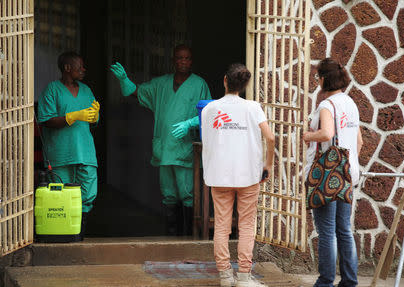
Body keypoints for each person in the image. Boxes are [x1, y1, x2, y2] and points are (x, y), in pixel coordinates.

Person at [109, 45, 211, 235]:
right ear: (173, 60)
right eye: (179, 58)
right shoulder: (161, 84)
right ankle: (171, 236)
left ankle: (188, 236)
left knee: (187, 194)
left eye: (187, 58)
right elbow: (137, 92)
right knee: (169, 195)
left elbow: (209, 113)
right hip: (164, 149)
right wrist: (124, 79)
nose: (183, 61)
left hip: (185, 150)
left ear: (192, 61)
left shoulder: (199, 84)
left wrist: (189, 123)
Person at [201, 63, 274, 287]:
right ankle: (243, 276)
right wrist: (267, 165)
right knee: (246, 225)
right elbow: (270, 138)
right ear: (245, 85)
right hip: (248, 174)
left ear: (225, 80)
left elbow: (209, 139)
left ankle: (225, 276)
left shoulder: (209, 109)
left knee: (222, 225)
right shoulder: (253, 108)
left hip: (219, 175)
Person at [303, 58, 363, 287]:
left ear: (324, 79)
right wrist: (347, 165)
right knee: (344, 230)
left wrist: (308, 136)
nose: (316, 80)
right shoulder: (350, 103)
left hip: (327, 176)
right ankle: (349, 280)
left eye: (317, 76)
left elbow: (327, 134)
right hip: (348, 173)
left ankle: (325, 281)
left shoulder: (327, 106)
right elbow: (358, 142)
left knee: (327, 231)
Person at [38, 51, 100, 240]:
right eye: (79, 66)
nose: (83, 70)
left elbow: (93, 120)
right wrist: (71, 117)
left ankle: (79, 234)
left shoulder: (87, 90)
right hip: (61, 153)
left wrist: (95, 116)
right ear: (67, 68)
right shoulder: (52, 90)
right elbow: (46, 120)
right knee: (62, 196)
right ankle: (64, 238)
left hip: (85, 151)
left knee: (88, 193)